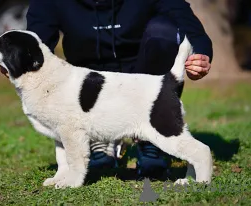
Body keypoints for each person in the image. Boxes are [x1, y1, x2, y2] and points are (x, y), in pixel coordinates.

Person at [25, 0, 213, 179]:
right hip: (89, 81)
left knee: (163, 31)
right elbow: (36, 42)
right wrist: (20, 62)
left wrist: (200, 55)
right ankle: (99, 136)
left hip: (144, 74)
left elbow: (187, 23)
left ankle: (150, 139)